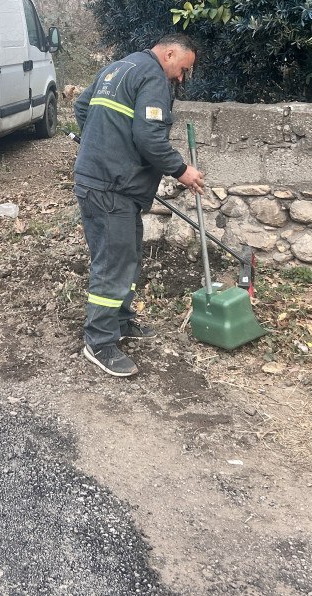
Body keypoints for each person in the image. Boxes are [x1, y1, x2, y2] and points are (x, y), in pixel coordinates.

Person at [73, 33, 205, 377]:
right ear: (171, 53)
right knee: (113, 263)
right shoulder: (153, 77)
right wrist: (182, 171)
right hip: (110, 187)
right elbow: (149, 137)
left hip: (104, 181)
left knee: (127, 255)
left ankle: (121, 320)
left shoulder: (119, 66)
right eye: (182, 69)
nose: (180, 78)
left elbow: (81, 106)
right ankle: (99, 341)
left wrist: (101, 144)